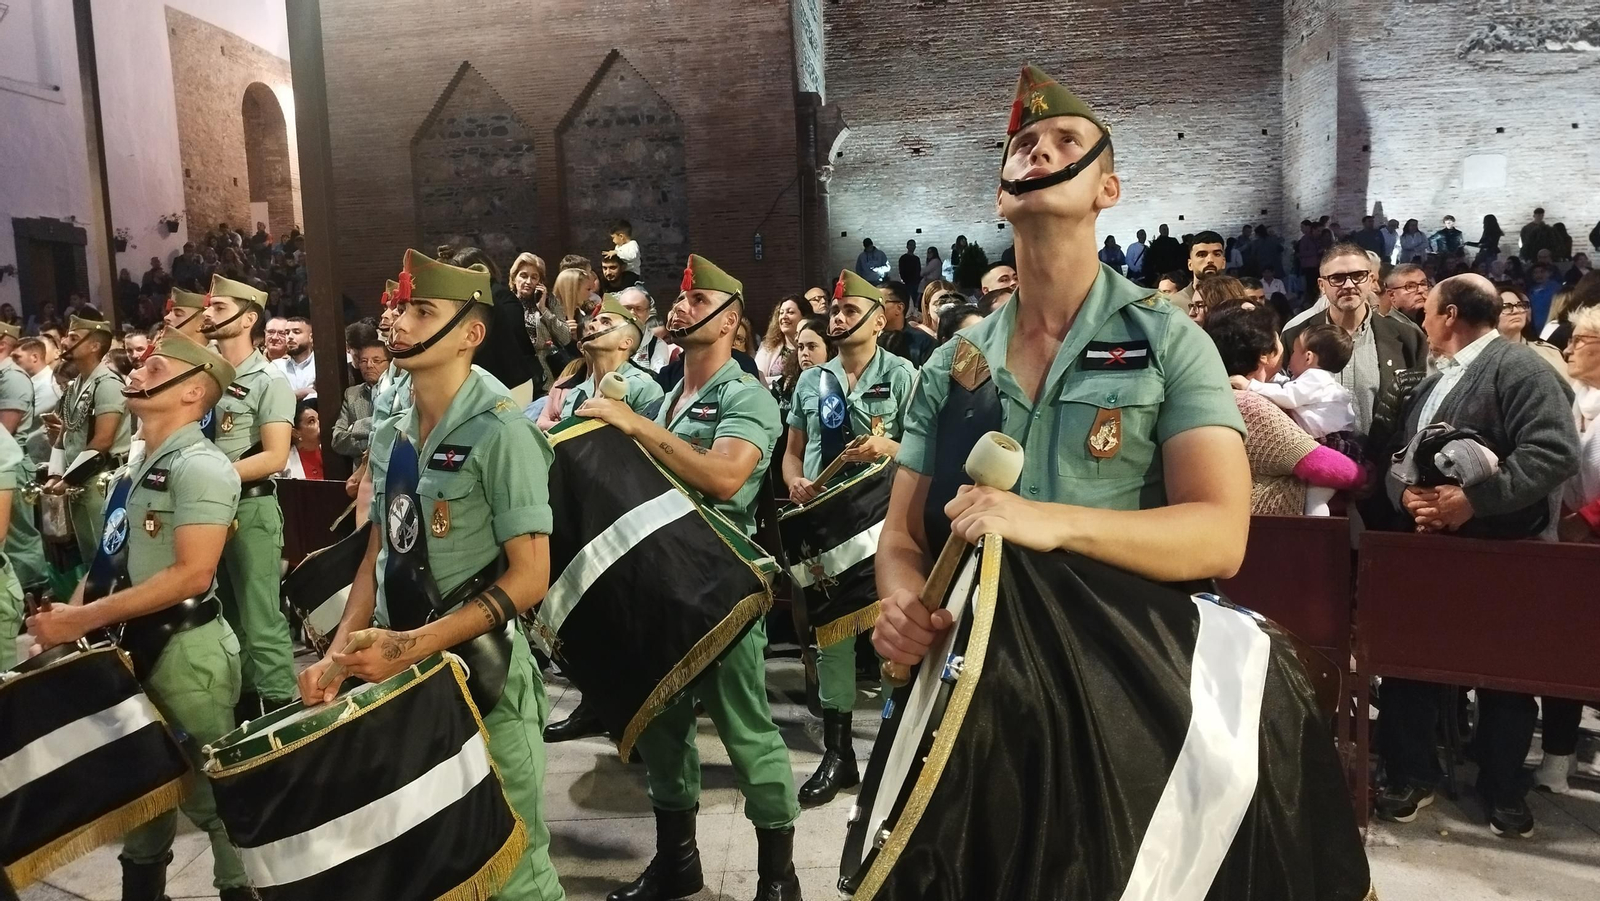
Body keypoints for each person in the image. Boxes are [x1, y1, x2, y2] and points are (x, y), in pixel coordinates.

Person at [874, 65, 1251, 708]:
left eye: (1068, 140)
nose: (1039, 149)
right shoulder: (952, 364)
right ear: (1001, 196)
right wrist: (904, 602)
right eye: (1022, 146)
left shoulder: (1169, 340)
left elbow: (1218, 534)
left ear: (1108, 189)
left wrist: (1046, 521)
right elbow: (903, 537)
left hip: (1125, 675)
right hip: (978, 680)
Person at [300, 249, 567, 900]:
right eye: (399, 307)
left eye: (423, 310)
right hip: (404, 680)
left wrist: (411, 645)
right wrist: (339, 653)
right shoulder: (397, 429)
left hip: (484, 675)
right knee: (432, 863)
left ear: (470, 334)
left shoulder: (503, 429)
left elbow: (531, 576)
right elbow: (376, 554)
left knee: (514, 870)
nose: (398, 321)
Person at [576, 254, 802, 901]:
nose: (679, 308)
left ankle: (778, 878)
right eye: (678, 299)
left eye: (696, 299)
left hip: (720, 589)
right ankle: (678, 861)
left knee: (746, 731)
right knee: (665, 728)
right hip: (665, 587)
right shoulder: (673, 393)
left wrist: (636, 425)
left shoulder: (746, 393)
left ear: (730, 319)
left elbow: (726, 476)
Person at [25, 329, 252, 900]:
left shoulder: (200, 466)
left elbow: (192, 574)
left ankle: (241, 891)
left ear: (192, 393)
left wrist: (79, 620)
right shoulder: (136, 464)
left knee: (215, 800)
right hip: (131, 649)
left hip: (186, 653)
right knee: (143, 786)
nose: (138, 371)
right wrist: (69, 622)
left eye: (155, 372)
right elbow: (109, 558)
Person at [1374, 274, 1580, 838]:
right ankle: (1414, 773)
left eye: (1428, 312)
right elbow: (1404, 450)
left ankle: (1502, 785)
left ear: (1451, 315)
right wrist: (1408, 495)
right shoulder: (1439, 376)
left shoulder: (1520, 368)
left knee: (1503, 672)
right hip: (1434, 549)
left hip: (1502, 551)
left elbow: (1554, 450)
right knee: (1412, 662)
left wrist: (1473, 501)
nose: (1422, 322)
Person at [780, 270, 916, 806]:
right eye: (833, 312)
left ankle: (890, 749)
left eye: (847, 310)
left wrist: (889, 450)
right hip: (829, 527)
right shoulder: (812, 380)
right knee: (830, 640)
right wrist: (793, 479)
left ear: (878, 321)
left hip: (885, 523)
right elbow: (793, 450)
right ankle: (839, 756)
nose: (837, 318)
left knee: (890, 639)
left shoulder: (903, 375)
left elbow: (922, 454)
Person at [200, 275, 299, 720]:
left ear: (248, 319)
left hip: (249, 507)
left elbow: (276, 456)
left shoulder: (268, 380)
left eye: (219, 308)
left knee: (261, 620)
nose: (207, 315)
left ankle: (279, 711)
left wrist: (206, 478)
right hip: (208, 509)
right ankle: (244, 709)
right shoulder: (205, 377)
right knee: (226, 616)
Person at [1205, 304, 1364, 515]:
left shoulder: (1221, 391)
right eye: (1278, 339)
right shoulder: (1250, 404)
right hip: (1270, 523)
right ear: (1264, 354)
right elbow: (1319, 463)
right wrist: (1364, 476)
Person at [1282, 244, 1428, 442]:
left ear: (1371, 280)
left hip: (1384, 462)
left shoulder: (1407, 337)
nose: (1349, 285)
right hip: (1315, 462)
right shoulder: (1295, 337)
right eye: (1337, 278)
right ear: (1322, 285)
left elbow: (1420, 406)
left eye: (1358, 275)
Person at [42, 315, 132, 566]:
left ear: (94, 346)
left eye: (73, 338)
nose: (64, 342)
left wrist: (68, 478)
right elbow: (65, 434)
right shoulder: (75, 385)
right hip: (77, 481)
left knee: (105, 557)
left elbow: (103, 440)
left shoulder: (108, 384)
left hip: (100, 480)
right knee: (88, 554)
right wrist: (55, 474)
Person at [334, 325, 389, 460]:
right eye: (363, 361)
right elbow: (338, 440)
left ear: (390, 363)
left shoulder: (400, 391)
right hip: (359, 472)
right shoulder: (352, 394)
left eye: (376, 361)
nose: (369, 365)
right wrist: (373, 443)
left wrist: (357, 427)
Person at [1495, 284, 1567, 375]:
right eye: (1505, 307)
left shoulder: (1549, 352)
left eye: (1520, 305)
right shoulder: (1482, 356)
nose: (1516, 311)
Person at [875, 280, 935, 367]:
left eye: (880, 302)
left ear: (899, 308)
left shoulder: (924, 343)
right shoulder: (867, 339)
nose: (874, 307)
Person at [620, 286, 678, 374]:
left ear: (647, 313)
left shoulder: (656, 345)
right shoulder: (605, 338)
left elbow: (658, 379)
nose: (632, 313)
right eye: (627, 308)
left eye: (638, 309)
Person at [755, 295, 804, 387]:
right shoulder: (768, 347)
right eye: (781, 313)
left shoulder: (809, 348)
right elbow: (756, 377)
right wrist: (780, 380)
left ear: (804, 316)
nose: (784, 317)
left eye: (790, 312)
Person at [1171, 230, 1226, 310]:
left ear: (1223, 262)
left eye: (1217, 254)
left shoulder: (1236, 300)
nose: (1210, 260)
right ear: (1190, 264)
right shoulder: (1175, 305)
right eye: (1202, 255)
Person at [274, 316, 317, 400]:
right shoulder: (277, 367)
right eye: (286, 333)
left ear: (311, 337)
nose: (289, 336)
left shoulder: (322, 364)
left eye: (296, 332)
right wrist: (304, 392)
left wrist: (289, 396)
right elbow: (273, 398)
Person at [281, 399, 324, 479]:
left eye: (319, 419)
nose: (320, 423)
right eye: (311, 421)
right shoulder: (284, 462)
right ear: (296, 433)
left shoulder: (332, 453)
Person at [1527, 263, 1560, 328]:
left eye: (1542, 272)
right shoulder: (1530, 291)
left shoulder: (1556, 288)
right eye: (1535, 272)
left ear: (1549, 273)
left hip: (1553, 326)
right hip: (1536, 327)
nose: (1538, 275)